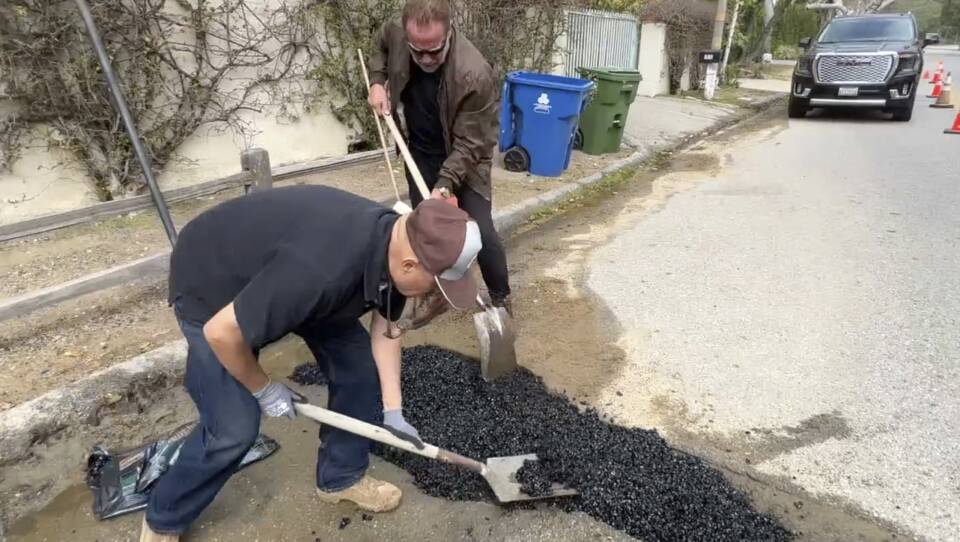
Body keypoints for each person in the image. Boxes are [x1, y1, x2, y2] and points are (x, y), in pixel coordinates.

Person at [140, 185, 482, 541]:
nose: (433, 296)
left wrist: (393, 409)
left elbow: (386, 326)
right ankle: (164, 518)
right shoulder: (322, 271)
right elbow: (222, 333)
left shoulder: (397, 240)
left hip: (288, 279)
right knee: (233, 427)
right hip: (212, 283)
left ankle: (340, 478)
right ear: (409, 264)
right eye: (434, 287)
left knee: (359, 373)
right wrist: (263, 388)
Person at [368, 0, 511, 328]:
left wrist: (445, 184)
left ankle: (501, 300)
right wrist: (377, 80)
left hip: (466, 155)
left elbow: (472, 142)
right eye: (418, 51)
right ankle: (434, 292)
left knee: (481, 230)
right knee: (424, 229)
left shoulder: (474, 73)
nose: (427, 59)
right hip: (419, 150)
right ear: (407, 36)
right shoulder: (396, 32)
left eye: (435, 50)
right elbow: (381, 44)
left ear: (449, 33)